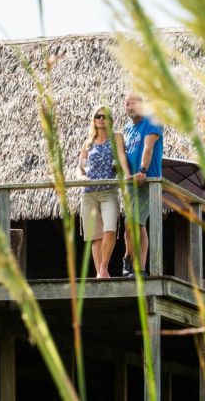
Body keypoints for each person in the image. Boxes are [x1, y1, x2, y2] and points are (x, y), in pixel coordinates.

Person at [77, 105, 130, 278]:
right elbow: (80, 168)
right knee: (95, 235)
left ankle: (103, 267)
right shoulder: (88, 142)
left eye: (105, 117)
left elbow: (121, 157)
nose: (101, 119)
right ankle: (101, 273)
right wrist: (81, 177)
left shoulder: (116, 138)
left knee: (110, 230)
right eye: (98, 116)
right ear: (93, 119)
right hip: (89, 192)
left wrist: (127, 174)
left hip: (109, 191)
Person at [122, 94, 163, 277]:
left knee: (135, 222)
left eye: (132, 103)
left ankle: (134, 265)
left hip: (147, 181)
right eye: (126, 104)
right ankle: (132, 262)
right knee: (131, 224)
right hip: (130, 183)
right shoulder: (128, 128)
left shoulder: (152, 121)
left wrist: (143, 170)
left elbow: (148, 147)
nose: (128, 107)